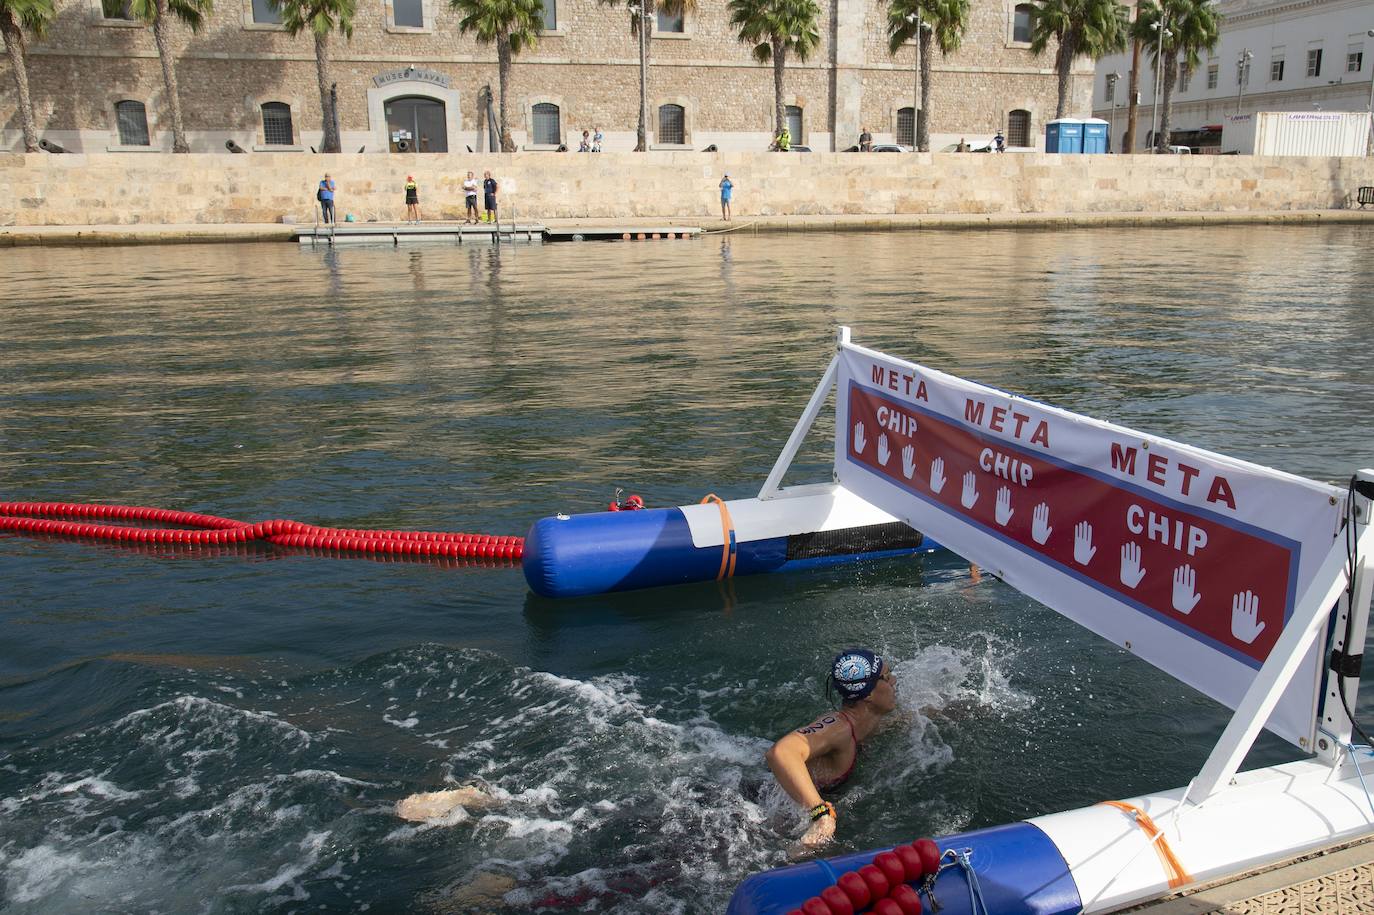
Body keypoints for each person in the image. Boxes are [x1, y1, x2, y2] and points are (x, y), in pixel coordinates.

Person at [765, 649, 899, 849]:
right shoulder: (839, 727)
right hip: (760, 813)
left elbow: (906, 721)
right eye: (887, 677)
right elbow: (781, 753)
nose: (894, 681)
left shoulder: (865, 724)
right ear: (868, 693)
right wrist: (820, 814)